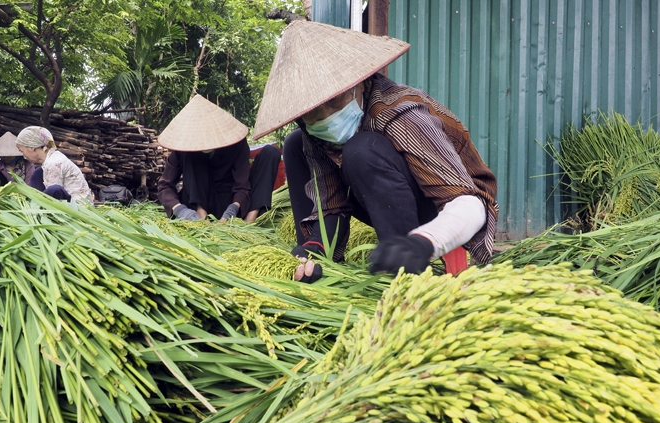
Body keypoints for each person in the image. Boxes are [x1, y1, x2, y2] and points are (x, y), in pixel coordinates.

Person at [251, 21, 499, 283]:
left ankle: (405, 274)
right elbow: (330, 205)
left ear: (358, 83)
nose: (327, 117)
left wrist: (423, 242)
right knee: (294, 143)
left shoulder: (401, 114)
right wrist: (316, 246)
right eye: (313, 112)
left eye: (334, 100)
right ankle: (312, 264)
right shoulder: (314, 132)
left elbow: (469, 203)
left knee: (361, 150)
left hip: (447, 207)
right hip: (383, 196)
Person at [157, 95, 279, 223]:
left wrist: (234, 208)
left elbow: (242, 186)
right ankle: (202, 216)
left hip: (230, 202)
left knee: (271, 152)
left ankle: (250, 220)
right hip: (195, 208)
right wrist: (180, 209)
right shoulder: (183, 148)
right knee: (191, 155)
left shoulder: (237, 144)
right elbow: (164, 186)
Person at [15, 126, 93, 205]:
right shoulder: (52, 158)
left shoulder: (53, 163)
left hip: (78, 207)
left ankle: (34, 207)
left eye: (22, 151)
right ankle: (31, 202)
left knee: (54, 189)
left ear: (31, 148)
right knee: (38, 172)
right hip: (68, 200)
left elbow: (54, 193)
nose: (24, 155)